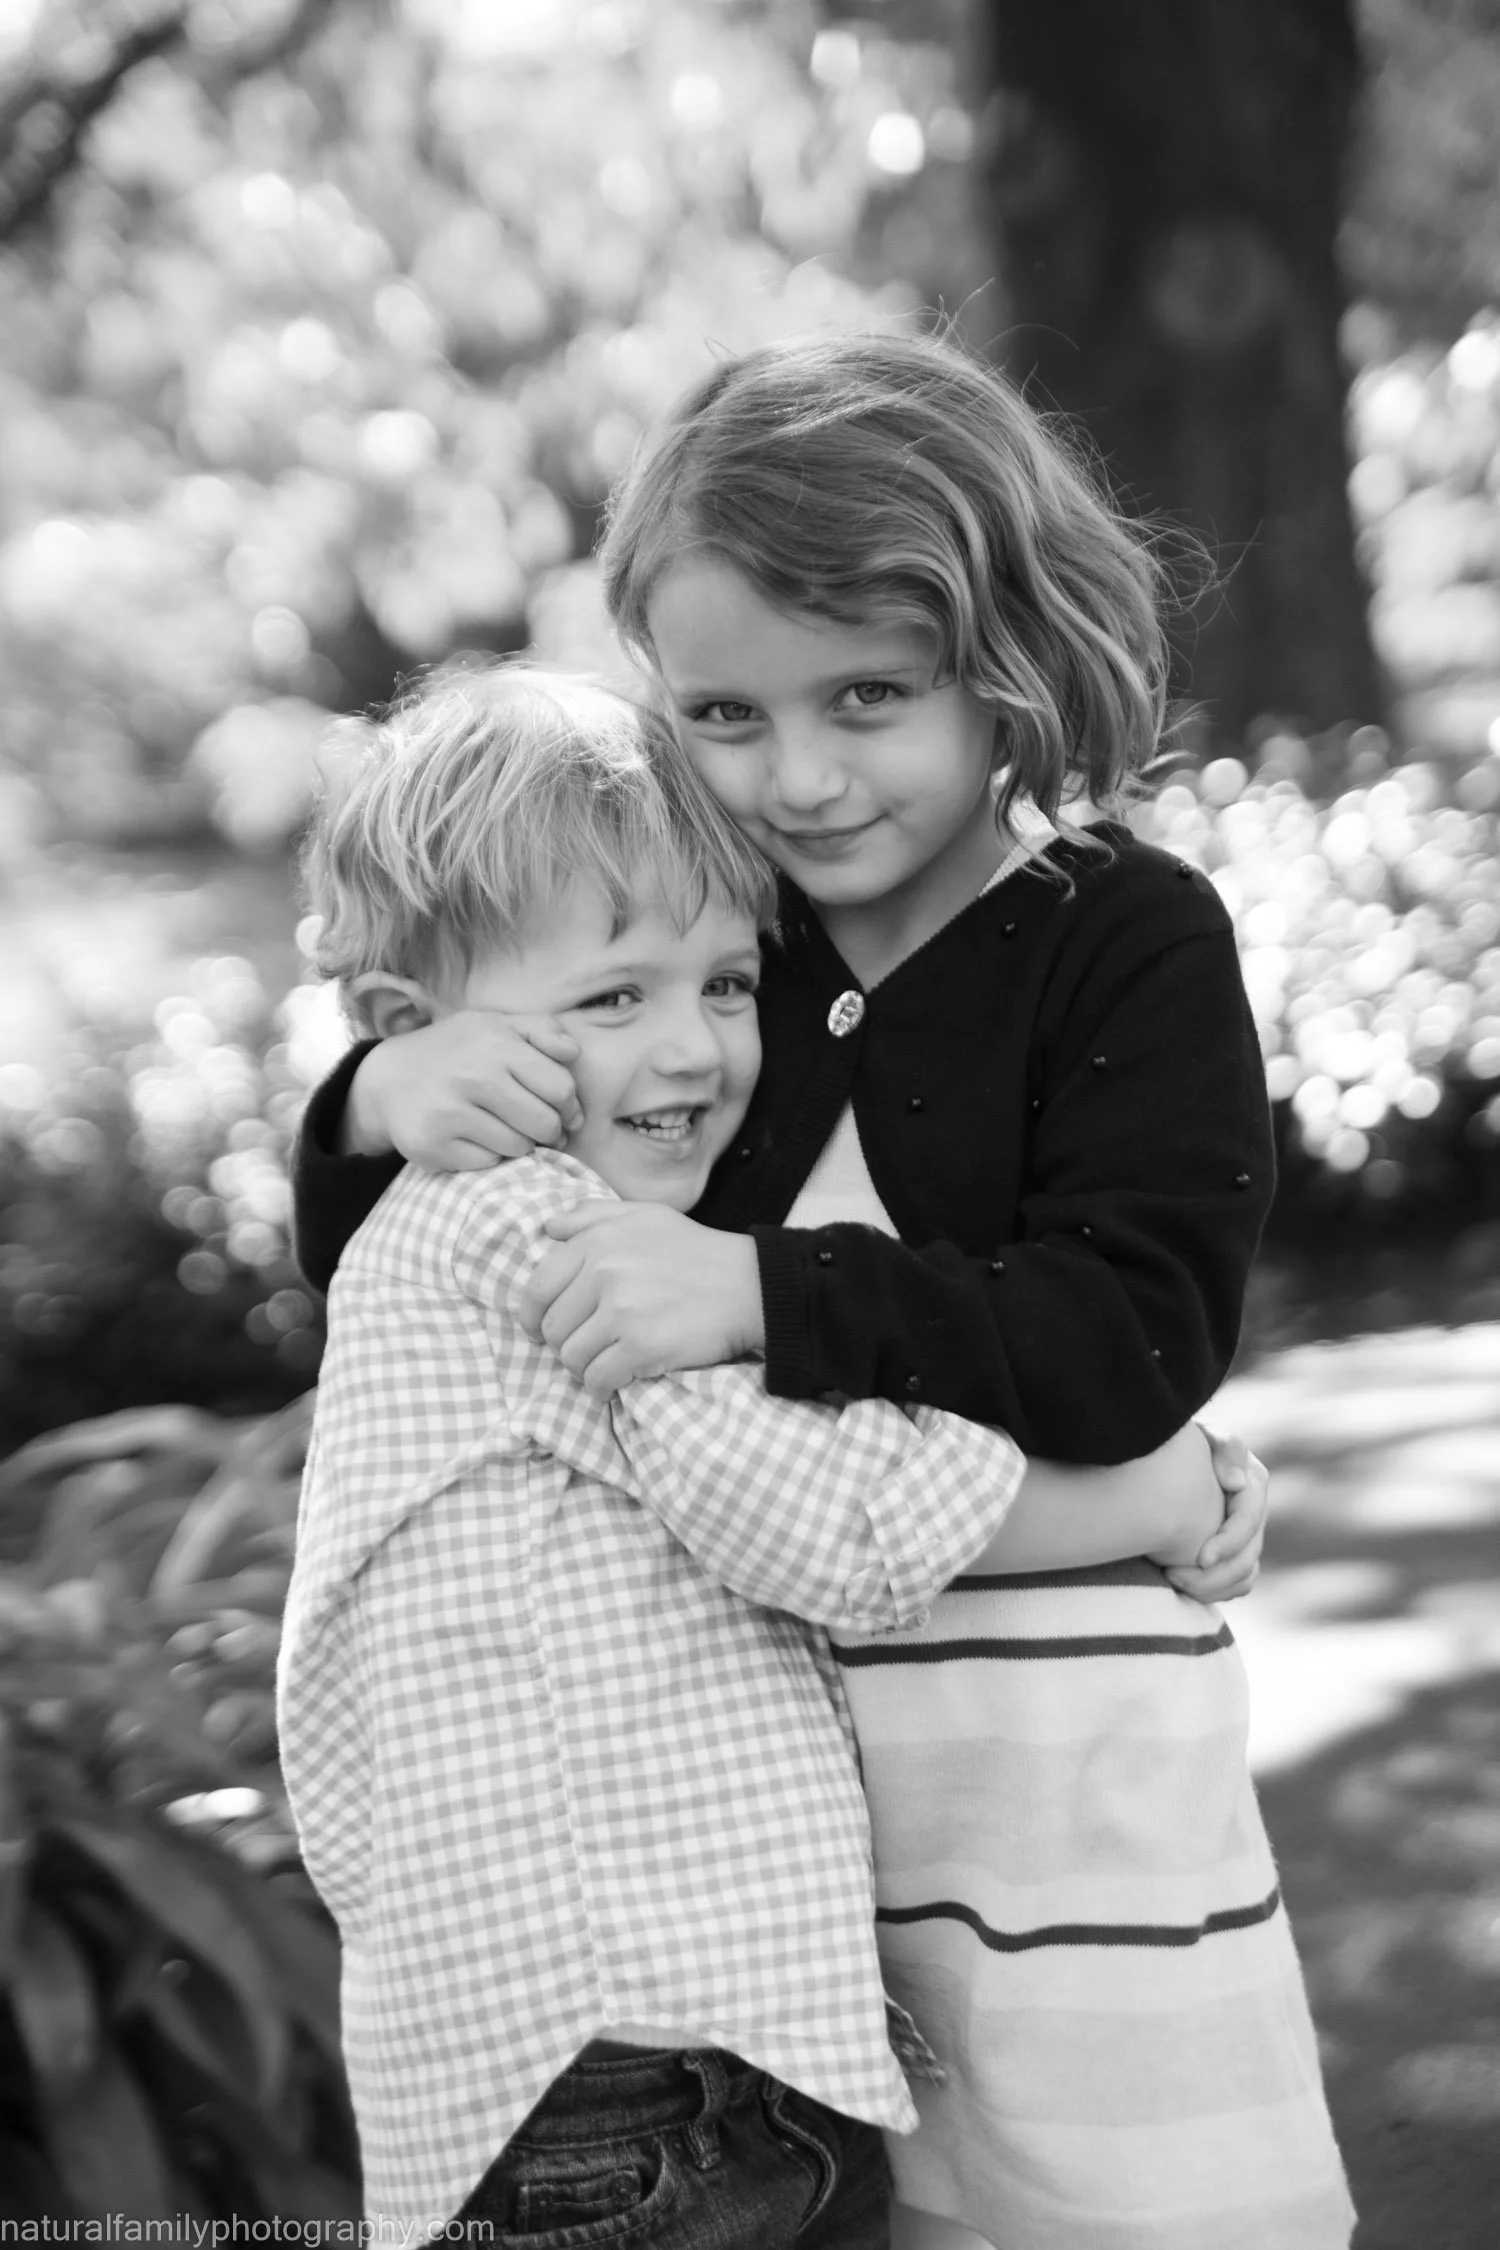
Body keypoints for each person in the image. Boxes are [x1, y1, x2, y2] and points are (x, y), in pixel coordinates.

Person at [289, 334, 1354, 2248]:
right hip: (759, 1862)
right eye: (720, 713)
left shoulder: (1121, 938)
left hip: (1057, 1795)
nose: (797, 775)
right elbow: (432, 1266)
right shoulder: (713, 950)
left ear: (1007, 650)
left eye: (871, 692)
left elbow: (1128, 1337)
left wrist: (764, 1294)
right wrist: (375, 1089)